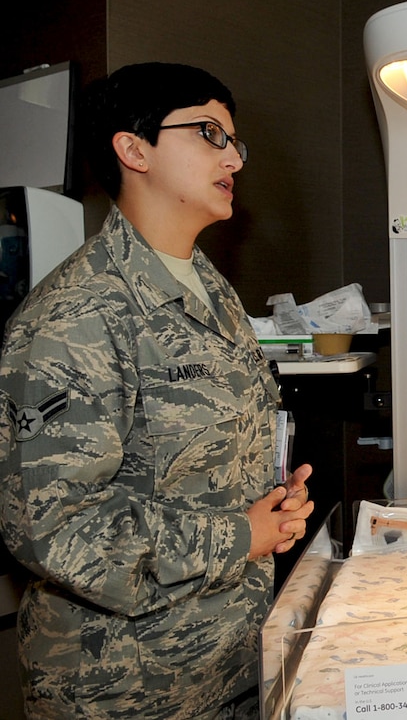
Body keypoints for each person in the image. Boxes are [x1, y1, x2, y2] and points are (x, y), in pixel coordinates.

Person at [0, 62, 315, 719]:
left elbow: (198, 463)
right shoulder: (76, 315)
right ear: (133, 147)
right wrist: (238, 536)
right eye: (209, 133)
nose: (233, 156)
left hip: (230, 659)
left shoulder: (213, 290)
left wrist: (273, 507)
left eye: (235, 140)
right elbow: (52, 528)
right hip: (125, 685)